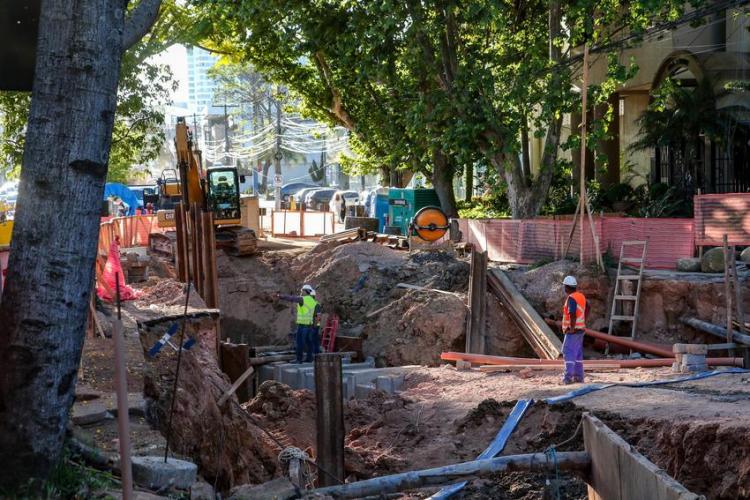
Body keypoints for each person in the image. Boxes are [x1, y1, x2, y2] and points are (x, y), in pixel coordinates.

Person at [274, 284, 321, 363]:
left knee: (300, 343)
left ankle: (299, 360)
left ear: (306, 291)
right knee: (309, 343)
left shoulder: (303, 299)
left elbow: (291, 298)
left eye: (302, 290)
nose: (301, 292)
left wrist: (279, 296)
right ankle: (309, 359)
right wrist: (316, 328)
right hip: (309, 326)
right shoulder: (315, 303)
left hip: (303, 326)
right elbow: (317, 317)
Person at [561, 275, 588, 384]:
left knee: (568, 352)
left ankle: (568, 378)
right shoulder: (581, 296)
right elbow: (588, 306)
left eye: (564, 286)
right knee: (577, 354)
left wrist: (571, 328)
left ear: (567, 287)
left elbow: (572, 314)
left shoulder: (571, 298)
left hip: (573, 331)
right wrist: (585, 318)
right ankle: (579, 377)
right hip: (580, 329)